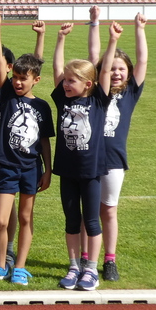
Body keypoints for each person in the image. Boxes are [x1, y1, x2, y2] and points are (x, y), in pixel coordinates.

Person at [0, 14, 54, 285]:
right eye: (16, 77)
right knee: (0, 220)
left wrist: (49, 170)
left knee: (24, 217)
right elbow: (0, 63)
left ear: (36, 80)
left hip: (32, 168)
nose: (19, 82)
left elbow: (44, 141)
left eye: (24, 78)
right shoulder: (7, 94)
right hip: (7, 165)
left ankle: (19, 267)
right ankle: (0, 265)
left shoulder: (42, 107)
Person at [52, 21, 118, 291]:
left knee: (91, 220)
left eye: (72, 81)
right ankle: (74, 266)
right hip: (67, 170)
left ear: (88, 84)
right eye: (66, 80)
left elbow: (104, 70)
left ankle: (91, 269)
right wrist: (60, 39)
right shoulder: (63, 99)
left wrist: (112, 41)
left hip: (91, 172)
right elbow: (56, 70)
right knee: (70, 220)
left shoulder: (98, 100)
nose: (66, 84)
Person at [87, 9, 148, 281]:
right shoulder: (96, 92)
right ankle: (87, 260)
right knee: (88, 211)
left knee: (109, 209)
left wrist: (139, 29)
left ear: (129, 73)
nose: (116, 73)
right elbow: (94, 57)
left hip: (113, 161)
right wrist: (95, 23)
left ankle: (109, 260)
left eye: (121, 69)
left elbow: (143, 60)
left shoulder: (131, 93)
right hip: (90, 159)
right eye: (111, 68)